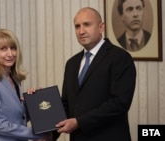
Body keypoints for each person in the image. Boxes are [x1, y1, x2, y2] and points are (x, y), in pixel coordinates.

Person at [54, 7, 136, 141]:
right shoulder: (71, 63)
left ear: (101, 27)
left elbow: (119, 103)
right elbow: (67, 105)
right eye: (77, 26)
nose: (81, 31)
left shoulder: (120, 58)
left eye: (87, 24)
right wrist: (48, 133)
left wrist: (79, 122)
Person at [0, 29, 50, 141]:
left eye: (13, 48)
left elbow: (19, 117)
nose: (10, 54)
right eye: (3, 49)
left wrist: (35, 102)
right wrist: (35, 133)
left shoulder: (14, 79)